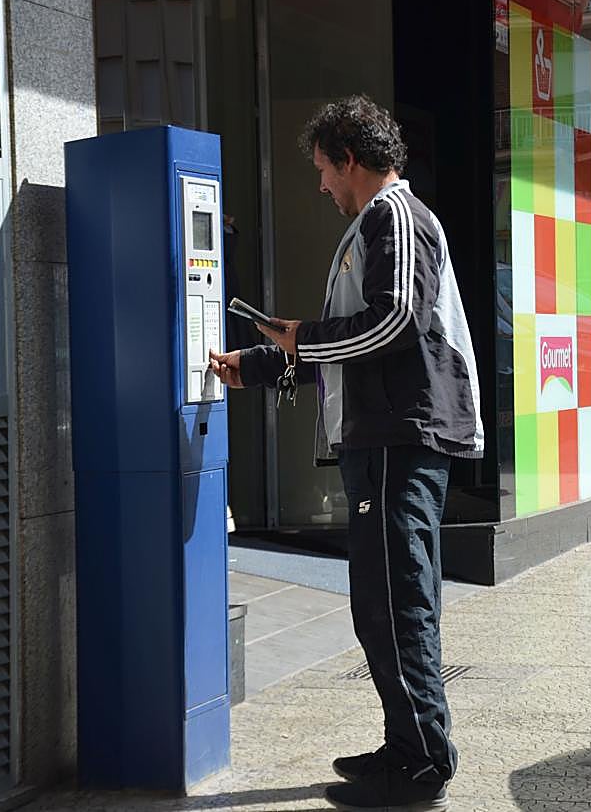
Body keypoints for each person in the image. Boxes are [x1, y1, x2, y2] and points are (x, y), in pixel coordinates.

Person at [208, 95, 483, 811]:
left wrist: (299, 339)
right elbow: (349, 343)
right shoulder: (379, 222)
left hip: (401, 437)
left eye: (324, 171)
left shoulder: (392, 216)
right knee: (381, 603)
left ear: (350, 160)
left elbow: (391, 323)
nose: (321, 186)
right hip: (385, 435)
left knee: (396, 603)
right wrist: (263, 363)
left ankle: (422, 763)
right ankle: (405, 743)